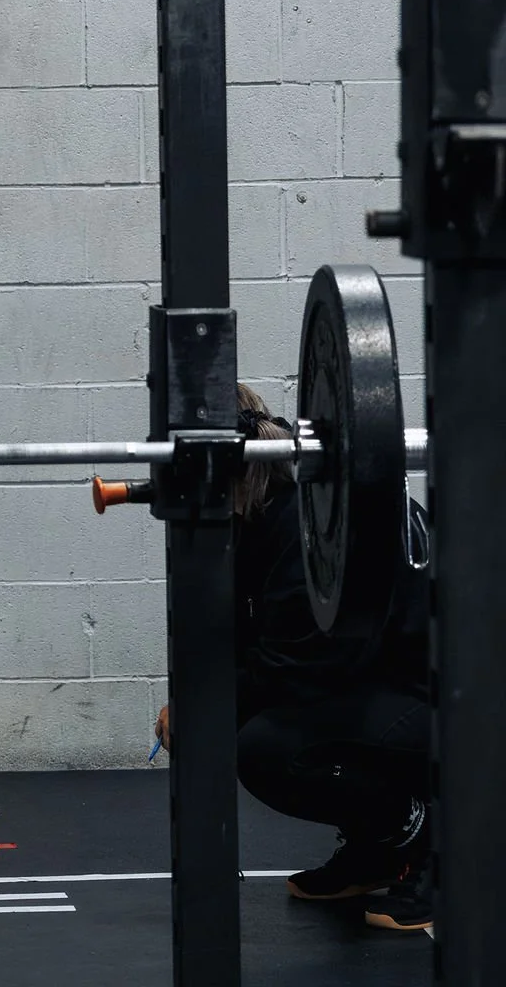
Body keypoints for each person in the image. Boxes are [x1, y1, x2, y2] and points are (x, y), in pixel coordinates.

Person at [155, 383, 430, 932]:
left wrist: (208, 707)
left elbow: (303, 667)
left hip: (445, 693)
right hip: (373, 679)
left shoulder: (306, 523)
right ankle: (376, 848)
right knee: (251, 728)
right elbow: (242, 637)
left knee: (268, 750)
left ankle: (428, 842)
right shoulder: (252, 518)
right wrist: (195, 698)